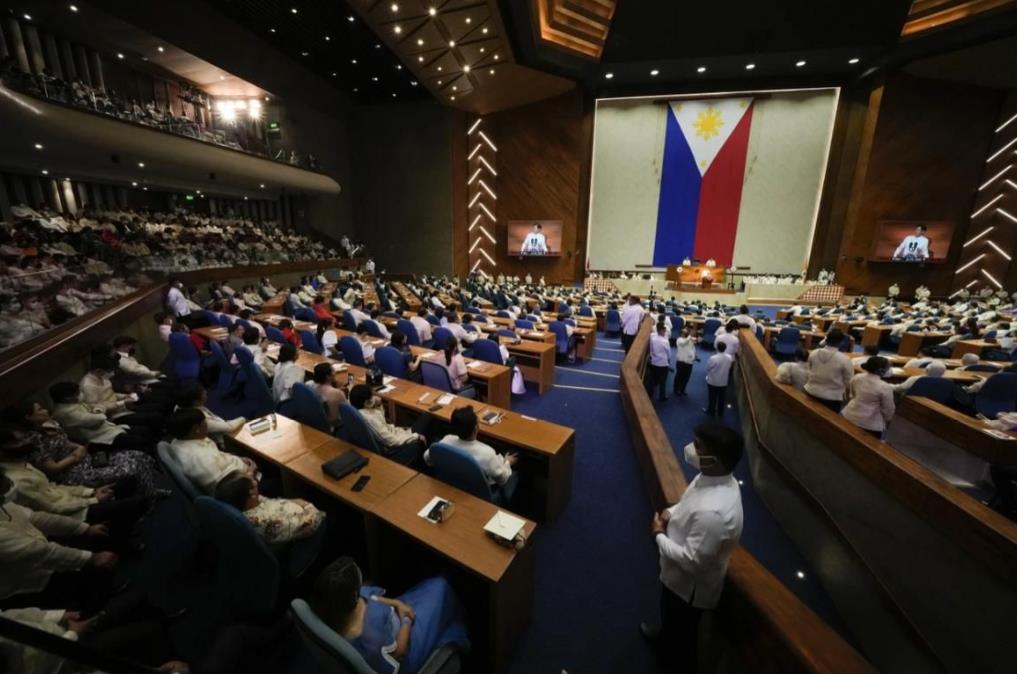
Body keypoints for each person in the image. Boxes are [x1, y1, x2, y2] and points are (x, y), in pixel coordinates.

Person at [641, 423, 744, 671]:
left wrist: (658, 536)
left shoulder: (715, 513)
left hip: (688, 591)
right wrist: (671, 512)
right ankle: (664, 640)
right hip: (675, 578)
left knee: (683, 638)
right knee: (670, 621)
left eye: (699, 447)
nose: (691, 449)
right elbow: (689, 500)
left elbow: (691, 563)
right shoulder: (711, 476)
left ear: (716, 460)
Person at [309, 557, 469, 674]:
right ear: (353, 595)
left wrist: (396, 604)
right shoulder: (371, 638)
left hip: (396, 617)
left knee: (429, 588)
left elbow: (371, 598)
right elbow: (399, 652)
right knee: (441, 588)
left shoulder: (334, 607)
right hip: (406, 641)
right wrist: (406, 621)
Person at [2, 401, 159, 497]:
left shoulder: (49, 425)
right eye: (39, 410)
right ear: (28, 417)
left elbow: (66, 443)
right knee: (131, 468)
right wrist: (75, 456)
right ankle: (145, 500)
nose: (45, 411)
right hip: (71, 474)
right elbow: (52, 468)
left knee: (139, 455)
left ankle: (149, 491)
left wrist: (79, 447)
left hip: (84, 459)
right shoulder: (33, 440)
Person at [214, 471, 324, 545]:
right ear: (251, 493)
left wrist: (293, 501)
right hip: (306, 526)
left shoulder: (243, 504)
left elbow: (267, 501)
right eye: (253, 481)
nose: (255, 480)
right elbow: (310, 524)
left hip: (289, 511)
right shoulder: (267, 522)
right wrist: (307, 505)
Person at [426, 406, 518, 493]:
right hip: (480, 494)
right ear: (476, 428)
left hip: (451, 485)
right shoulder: (487, 453)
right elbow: (502, 479)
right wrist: (507, 462)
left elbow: (427, 458)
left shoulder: (446, 440)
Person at [166, 408, 257, 494]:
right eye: (205, 423)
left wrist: (238, 458)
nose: (208, 425)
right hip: (245, 487)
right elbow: (226, 490)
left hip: (236, 469)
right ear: (196, 429)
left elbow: (216, 456)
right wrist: (251, 473)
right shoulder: (201, 460)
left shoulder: (178, 441)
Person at [49, 382, 156, 454]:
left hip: (108, 429)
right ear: (67, 398)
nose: (80, 395)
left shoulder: (72, 403)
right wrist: (99, 410)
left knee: (146, 431)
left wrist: (98, 409)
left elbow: (97, 407)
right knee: (141, 441)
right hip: (99, 438)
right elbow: (98, 418)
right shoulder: (65, 412)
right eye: (77, 393)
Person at [348, 384, 431, 467]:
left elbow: (381, 422)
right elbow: (391, 441)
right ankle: (426, 461)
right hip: (398, 445)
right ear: (366, 402)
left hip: (399, 433)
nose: (374, 397)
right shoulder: (370, 419)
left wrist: (378, 405)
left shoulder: (360, 409)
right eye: (372, 396)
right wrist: (416, 437)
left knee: (426, 416)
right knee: (428, 416)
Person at [174, 382, 245, 447]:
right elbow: (229, 427)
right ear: (195, 402)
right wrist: (243, 418)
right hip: (220, 442)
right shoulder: (200, 419)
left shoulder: (180, 407)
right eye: (203, 393)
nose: (206, 393)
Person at [842, 356, 895, 439]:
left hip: (849, 414)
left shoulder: (857, 377)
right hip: (870, 424)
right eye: (888, 368)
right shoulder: (885, 387)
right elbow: (888, 409)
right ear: (881, 370)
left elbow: (851, 394)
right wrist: (888, 421)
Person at [803, 329, 854, 412]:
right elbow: (849, 382)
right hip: (832, 398)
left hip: (810, 390)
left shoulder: (813, 352)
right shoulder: (845, 359)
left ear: (826, 340)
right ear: (841, 342)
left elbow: (808, 370)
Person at [310, 363, 348, 427]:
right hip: (337, 424)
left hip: (321, 421)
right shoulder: (337, 393)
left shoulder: (312, 387)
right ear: (328, 376)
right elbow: (349, 410)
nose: (335, 372)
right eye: (333, 370)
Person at [703, 341, 734, 417]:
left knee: (712, 397)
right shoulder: (729, 357)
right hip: (723, 381)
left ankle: (711, 411)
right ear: (725, 348)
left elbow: (708, 368)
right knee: (721, 398)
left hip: (713, 381)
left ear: (717, 348)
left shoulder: (713, 358)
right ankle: (720, 413)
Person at [647, 322, 672, 402]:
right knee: (663, 382)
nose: (665, 332)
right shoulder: (665, 341)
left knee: (652, 380)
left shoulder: (653, 338)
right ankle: (662, 397)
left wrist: (652, 357)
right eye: (664, 331)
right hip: (663, 364)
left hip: (654, 362)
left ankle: (649, 394)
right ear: (661, 331)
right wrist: (668, 360)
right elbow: (668, 353)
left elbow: (651, 350)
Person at [673, 329, 696, 397]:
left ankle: (682, 389)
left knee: (686, 377)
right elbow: (684, 343)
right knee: (679, 377)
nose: (687, 332)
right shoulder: (679, 340)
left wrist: (694, 355)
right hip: (681, 362)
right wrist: (690, 336)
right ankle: (676, 390)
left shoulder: (689, 339)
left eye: (687, 331)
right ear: (682, 333)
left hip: (689, 362)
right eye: (685, 331)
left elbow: (693, 348)